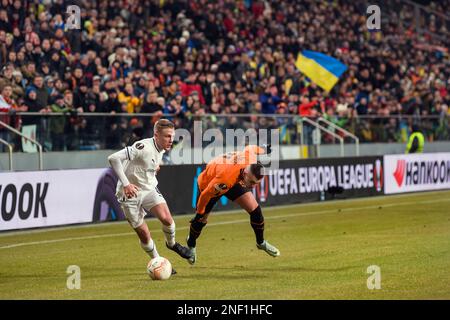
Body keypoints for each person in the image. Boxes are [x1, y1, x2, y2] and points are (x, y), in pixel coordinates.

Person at [108, 119, 192, 272]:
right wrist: (126, 184)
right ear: (156, 135)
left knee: (167, 220)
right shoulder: (143, 147)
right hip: (129, 193)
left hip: (148, 189)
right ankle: (157, 261)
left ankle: (172, 244)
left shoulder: (161, 148)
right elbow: (113, 159)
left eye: (172, 136)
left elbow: (148, 163)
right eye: (167, 136)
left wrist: (153, 168)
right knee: (144, 234)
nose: (171, 140)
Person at [186, 144, 280, 265]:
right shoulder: (226, 179)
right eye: (251, 182)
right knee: (200, 220)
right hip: (209, 182)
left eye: (256, 183)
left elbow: (250, 148)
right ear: (246, 173)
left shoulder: (250, 160)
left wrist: (264, 148)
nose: (253, 186)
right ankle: (191, 244)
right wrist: (199, 213)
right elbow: (205, 195)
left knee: (255, 209)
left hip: (232, 177)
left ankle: (261, 243)